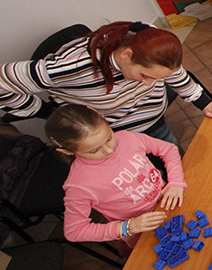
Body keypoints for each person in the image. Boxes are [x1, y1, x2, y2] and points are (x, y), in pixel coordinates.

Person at [0, 21, 212, 146]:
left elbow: (173, 73)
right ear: (127, 55)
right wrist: (46, 112)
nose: (149, 84)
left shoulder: (148, 38)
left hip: (154, 121)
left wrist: (204, 103)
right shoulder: (74, 66)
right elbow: (3, 81)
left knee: (176, 166)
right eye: (144, 76)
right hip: (113, 138)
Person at [45, 104, 183, 247]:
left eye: (109, 138)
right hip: (143, 232)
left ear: (104, 119)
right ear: (67, 152)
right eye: (93, 151)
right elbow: (74, 231)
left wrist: (176, 182)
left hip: (170, 201)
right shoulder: (79, 185)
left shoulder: (127, 138)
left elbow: (168, 149)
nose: (108, 150)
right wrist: (127, 227)